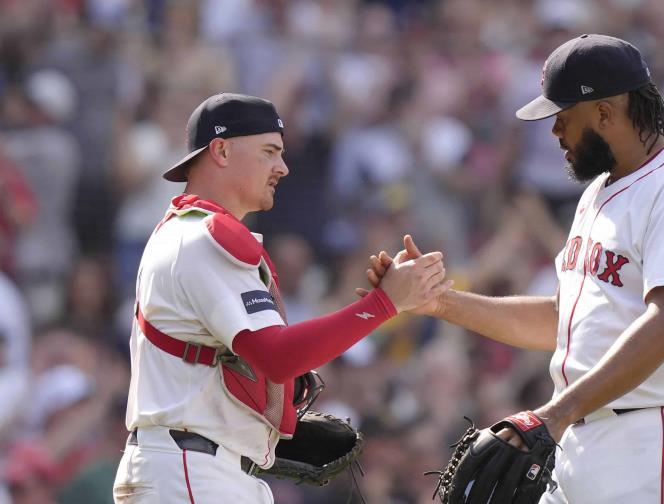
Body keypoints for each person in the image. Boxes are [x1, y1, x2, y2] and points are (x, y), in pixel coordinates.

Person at [365, 35, 664, 503]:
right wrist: (442, 301)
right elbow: (563, 321)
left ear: (605, 112)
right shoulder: (599, 193)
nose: (555, 132)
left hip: (660, 435)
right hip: (584, 437)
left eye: (564, 117)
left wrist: (555, 414)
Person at [112, 93, 450, 503]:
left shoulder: (192, 234)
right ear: (221, 150)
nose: (283, 167)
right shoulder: (202, 239)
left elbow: (257, 365)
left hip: (205, 465)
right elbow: (276, 356)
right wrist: (384, 304)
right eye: (269, 151)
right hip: (192, 468)